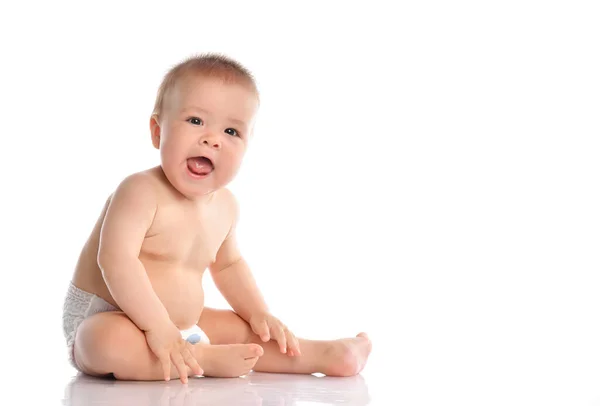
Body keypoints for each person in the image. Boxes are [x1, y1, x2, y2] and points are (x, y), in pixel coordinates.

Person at [62, 53, 372, 383]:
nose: (212, 139)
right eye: (195, 121)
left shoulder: (225, 206)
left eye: (231, 131)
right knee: (107, 342)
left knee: (242, 328)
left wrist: (258, 312)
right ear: (157, 131)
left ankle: (324, 354)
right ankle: (202, 359)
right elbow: (116, 261)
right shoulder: (140, 191)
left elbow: (228, 265)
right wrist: (156, 327)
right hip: (110, 314)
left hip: (181, 324)